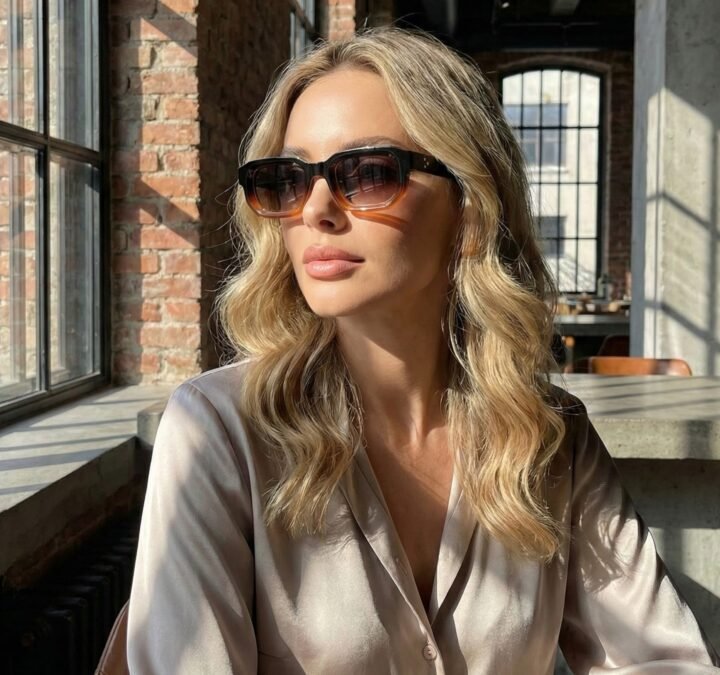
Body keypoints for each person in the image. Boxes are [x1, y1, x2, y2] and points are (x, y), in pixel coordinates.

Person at [125, 27, 719, 674]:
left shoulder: (550, 435)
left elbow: (664, 659)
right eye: (287, 179)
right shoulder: (218, 431)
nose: (315, 210)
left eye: (368, 173)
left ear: (469, 209)